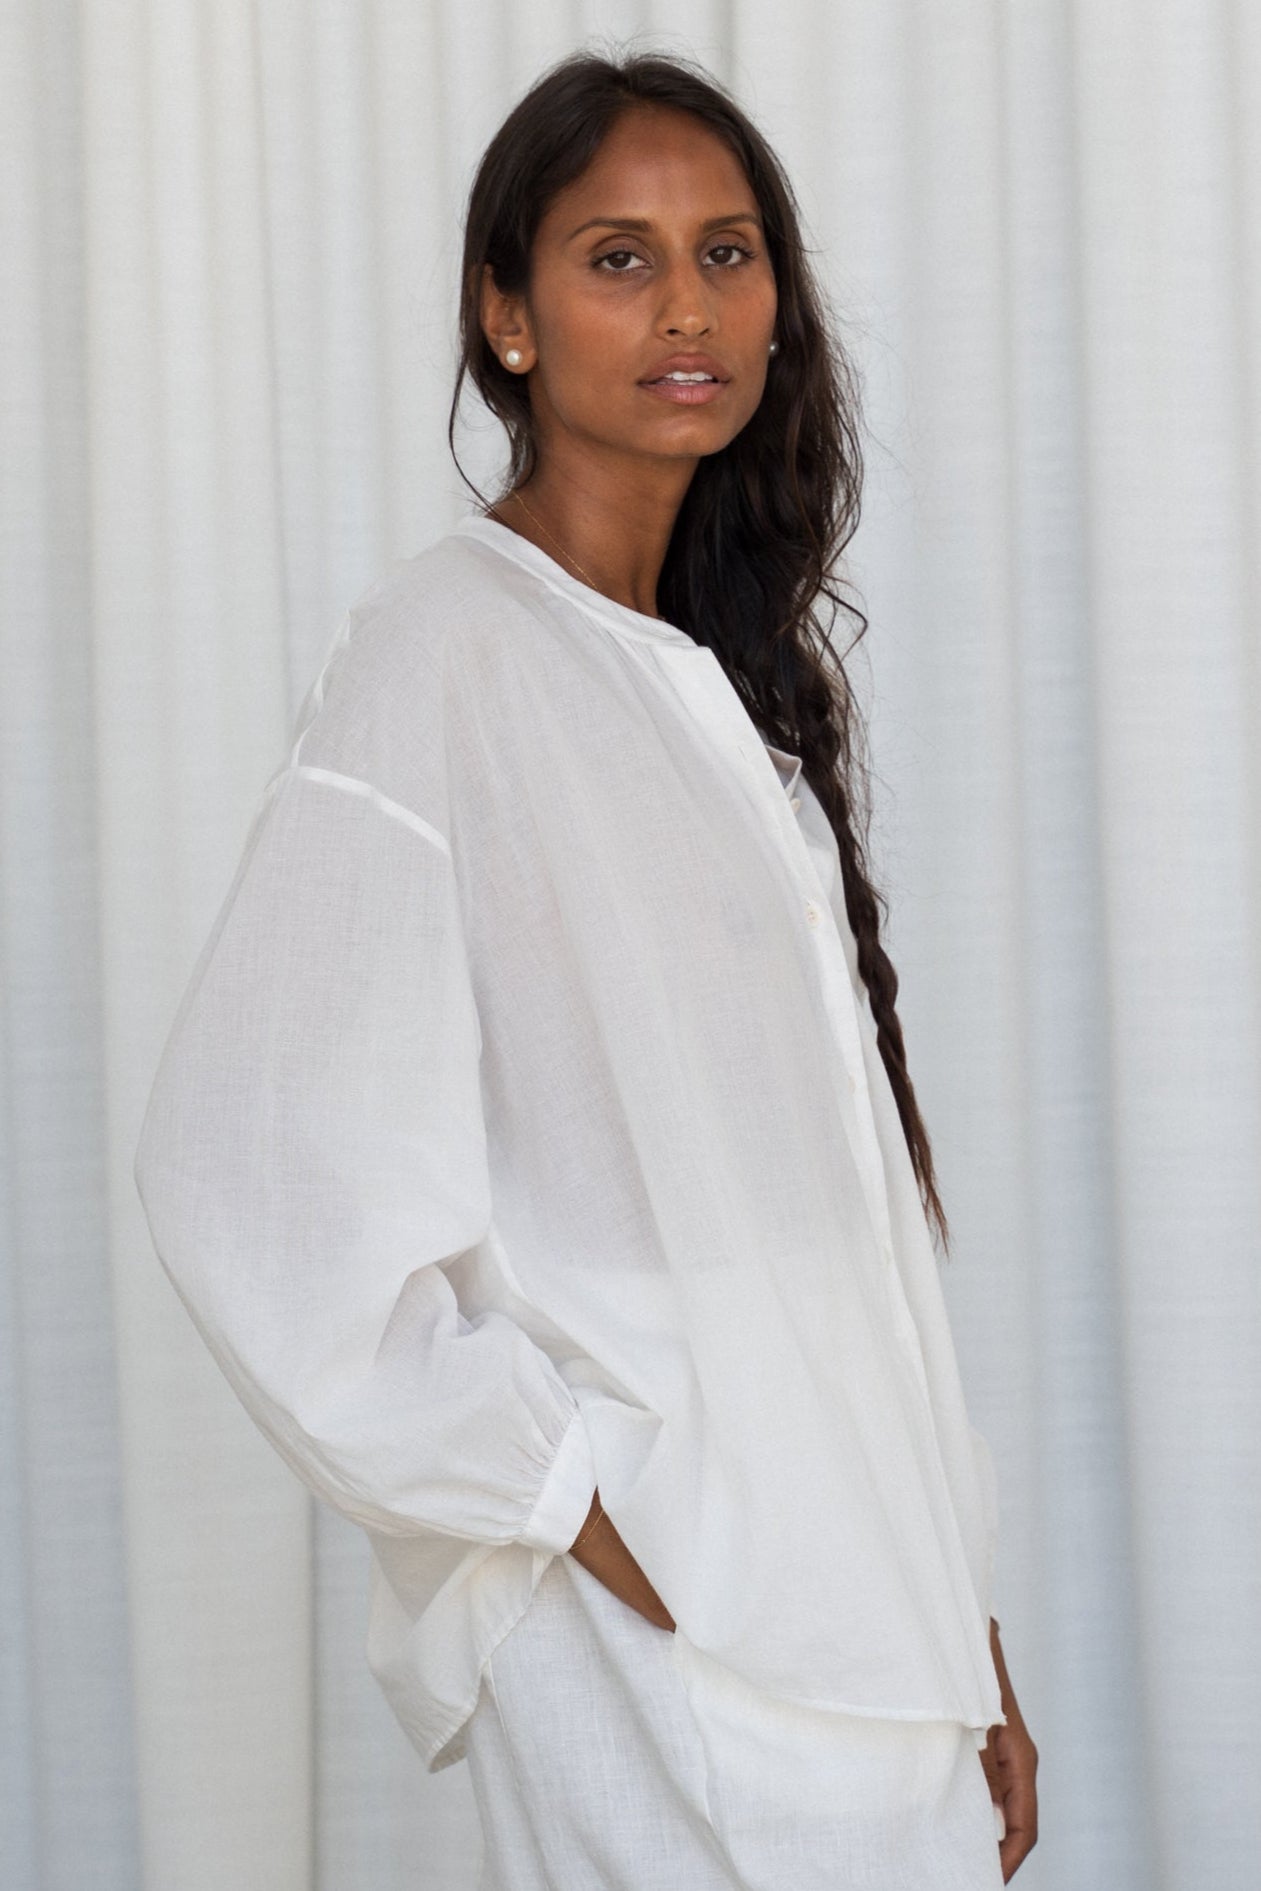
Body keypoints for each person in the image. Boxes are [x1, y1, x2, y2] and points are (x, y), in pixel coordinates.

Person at [133, 44, 1038, 1891]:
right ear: (508, 314)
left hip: (871, 1640)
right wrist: (578, 1505)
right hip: (678, 1639)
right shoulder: (444, 658)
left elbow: (835, 1249)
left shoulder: (722, 703)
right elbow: (244, 1182)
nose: (687, 303)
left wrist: (970, 1639)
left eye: (727, 252)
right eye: (616, 257)